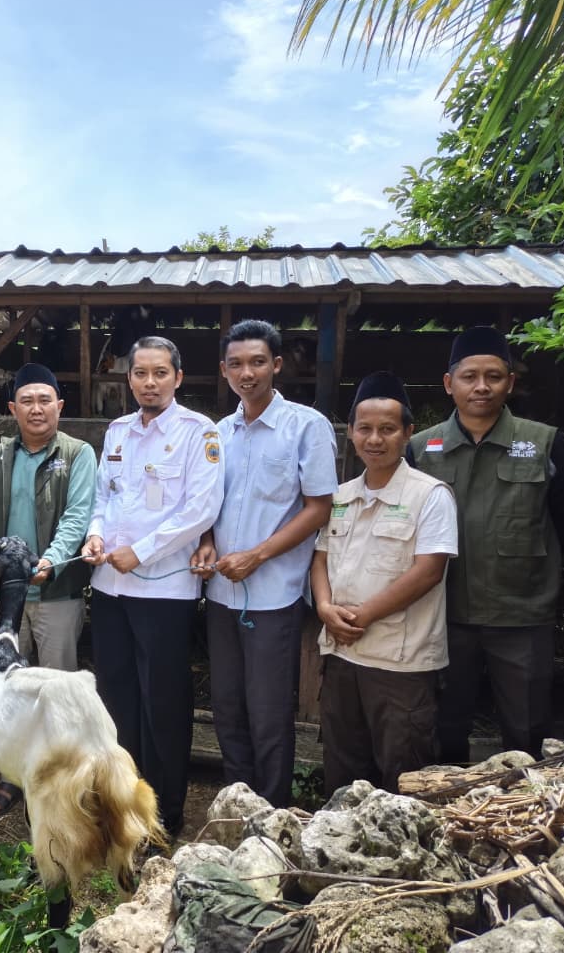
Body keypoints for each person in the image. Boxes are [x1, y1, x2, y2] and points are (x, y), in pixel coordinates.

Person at [409, 326, 564, 761]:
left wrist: (526, 567)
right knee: (445, 725)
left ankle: (525, 799)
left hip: (521, 613)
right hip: (444, 612)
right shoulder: (421, 449)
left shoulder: (544, 443)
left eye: (493, 376)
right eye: (469, 376)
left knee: (527, 728)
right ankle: (447, 799)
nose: (481, 387)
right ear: (449, 383)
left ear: (510, 382)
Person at [189, 319, 337, 808]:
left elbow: (319, 507)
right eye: (236, 364)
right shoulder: (218, 434)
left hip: (274, 594)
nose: (246, 373)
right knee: (227, 705)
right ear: (223, 370)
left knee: (269, 710)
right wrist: (207, 542)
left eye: (257, 362)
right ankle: (237, 803)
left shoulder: (306, 426)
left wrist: (257, 555)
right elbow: (207, 504)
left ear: (276, 365)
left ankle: (272, 812)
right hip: (221, 593)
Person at [82, 336, 223, 838]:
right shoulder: (117, 431)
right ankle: (124, 800)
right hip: (109, 586)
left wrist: (140, 551)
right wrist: (95, 534)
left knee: (163, 702)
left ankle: (165, 810)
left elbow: (201, 510)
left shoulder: (198, 433)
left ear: (177, 378)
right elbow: (103, 495)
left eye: (160, 373)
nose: (149, 382)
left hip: (164, 590)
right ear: (129, 378)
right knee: (117, 696)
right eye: (140, 373)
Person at [312, 372, 457, 794]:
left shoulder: (430, 495)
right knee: (342, 770)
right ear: (351, 432)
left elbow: (429, 570)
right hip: (342, 654)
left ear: (408, 433)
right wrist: (324, 608)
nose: (375, 439)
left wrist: (362, 616)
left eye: (388, 429)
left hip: (400, 663)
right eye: (365, 429)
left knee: (403, 776)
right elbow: (320, 558)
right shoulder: (340, 496)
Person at [0, 362, 97, 816]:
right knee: (8, 691)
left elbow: (78, 516)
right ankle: (11, 777)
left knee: (58, 690)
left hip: (57, 592)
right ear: (12, 408)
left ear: (60, 406)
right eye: (27, 401)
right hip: (8, 597)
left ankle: (61, 783)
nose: (36, 409)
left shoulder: (78, 454)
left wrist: (51, 562)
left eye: (45, 400)